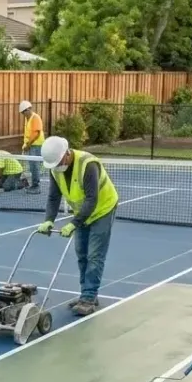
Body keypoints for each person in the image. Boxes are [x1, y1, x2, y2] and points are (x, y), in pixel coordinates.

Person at [36, 135, 119, 316]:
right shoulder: (55, 169)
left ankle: (89, 296)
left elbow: (92, 199)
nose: (57, 166)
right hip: (82, 213)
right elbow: (53, 196)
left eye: (59, 162)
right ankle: (86, 294)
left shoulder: (88, 165)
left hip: (103, 209)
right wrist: (49, 219)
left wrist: (74, 223)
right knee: (81, 253)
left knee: (94, 255)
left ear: (67, 153)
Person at [19, 100, 44, 194]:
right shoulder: (27, 118)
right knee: (32, 166)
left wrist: (28, 145)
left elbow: (36, 134)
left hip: (36, 145)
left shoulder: (35, 118)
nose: (23, 114)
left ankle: (36, 187)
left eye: (24, 112)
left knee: (34, 166)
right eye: (22, 113)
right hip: (30, 145)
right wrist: (26, 145)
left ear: (29, 109)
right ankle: (34, 185)